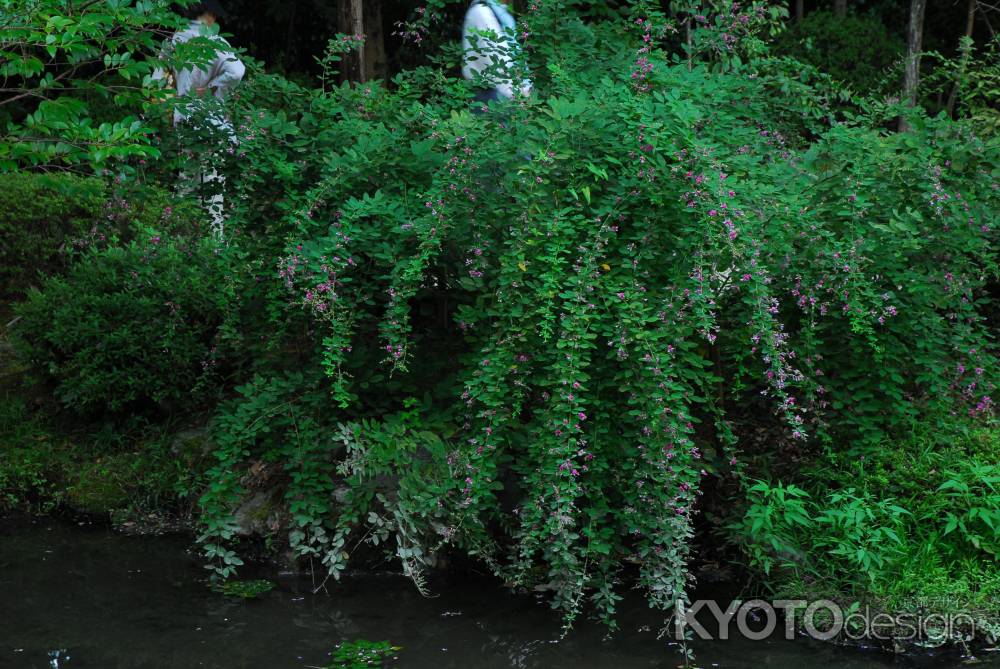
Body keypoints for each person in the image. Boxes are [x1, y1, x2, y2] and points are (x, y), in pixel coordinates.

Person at [152, 0, 245, 238]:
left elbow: (156, 81)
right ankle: (215, 242)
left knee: (187, 179)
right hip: (211, 119)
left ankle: (173, 237)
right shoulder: (215, 41)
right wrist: (214, 86)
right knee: (213, 181)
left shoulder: (174, 39)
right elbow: (237, 71)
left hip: (184, 116)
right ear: (211, 16)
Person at [461, 0, 532, 104]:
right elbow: (499, 63)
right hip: (494, 95)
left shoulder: (499, 12)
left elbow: (512, 52)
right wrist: (521, 95)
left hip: (500, 92)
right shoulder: (482, 12)